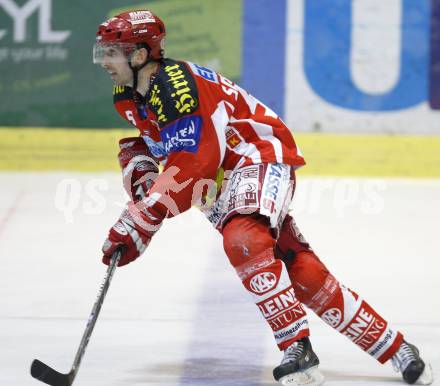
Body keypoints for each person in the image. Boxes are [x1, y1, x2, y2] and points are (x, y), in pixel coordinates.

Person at [93, 10, 433, 386]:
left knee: (243, 239)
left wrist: (141, 218)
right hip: (221, 177)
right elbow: (162, 143)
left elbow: (195, 163)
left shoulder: (176, 85)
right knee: (299, 269)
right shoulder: (127, 95)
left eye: (113, 52)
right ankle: (396, 347)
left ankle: (296, 347)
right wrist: (138, 164)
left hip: (255, 154)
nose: (105, 61)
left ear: (140, 56)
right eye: (103, 52)